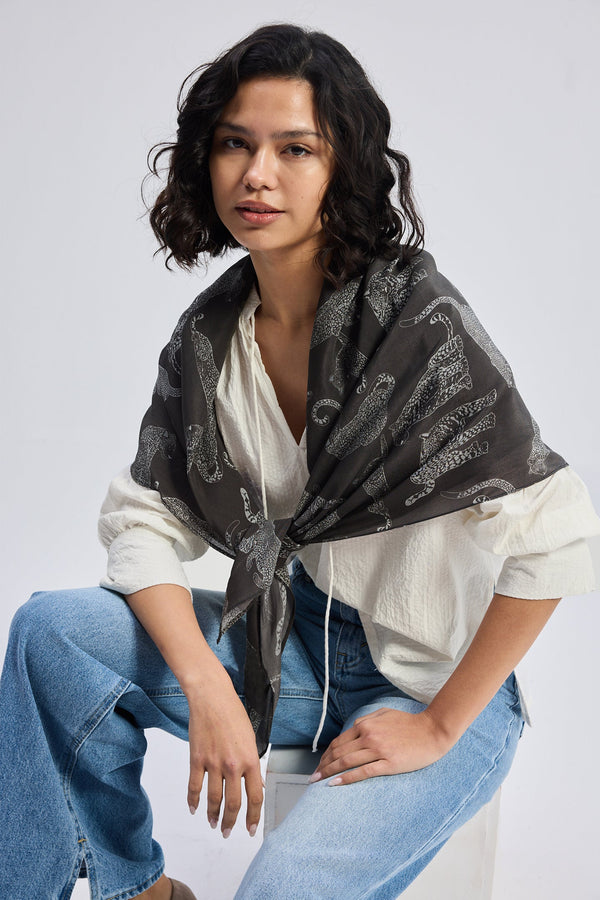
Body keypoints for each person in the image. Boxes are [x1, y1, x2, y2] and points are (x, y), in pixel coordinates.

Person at [0, 22, 598, 900]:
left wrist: (439, 725)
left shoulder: (414, 323)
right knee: (51, 635)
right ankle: (136, 889)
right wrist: (206, 684)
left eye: (295, 148)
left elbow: (561, 535)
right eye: (234, 144)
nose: (257, 174)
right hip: (291, 652)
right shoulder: (211, 338)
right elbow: (143, 520)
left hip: (429, 679)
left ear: (340, 167)